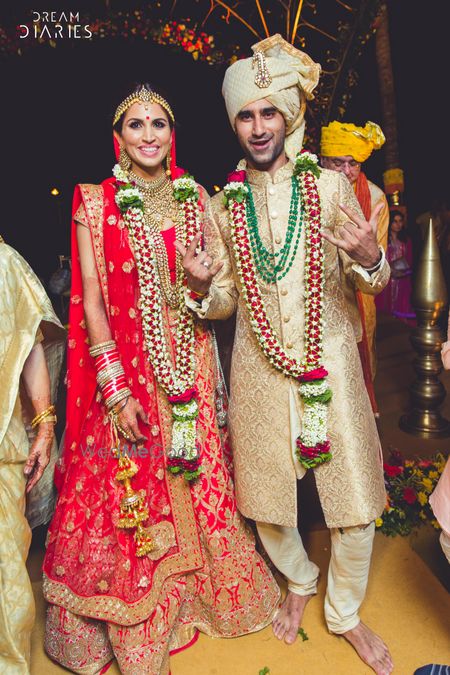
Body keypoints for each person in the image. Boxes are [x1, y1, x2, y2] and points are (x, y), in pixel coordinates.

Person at [42, 83, 279, 675]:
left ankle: (195, 598)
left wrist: (200, 287)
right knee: (129, 492)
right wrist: (114, 385)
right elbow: (91, 301)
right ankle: (132, 622)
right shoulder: (93, 203)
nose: (148, 135)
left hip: (189, 367)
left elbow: (220, 295)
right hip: (124, 369)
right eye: (135, 125)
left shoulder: (195, 197)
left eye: (159, 125)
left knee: (197, 478)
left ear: (173, 136)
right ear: (118, 138)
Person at [178, 35, 393, 675]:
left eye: (268, 111)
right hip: (259, 368)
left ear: (290, 115)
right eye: (245, 115)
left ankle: (346, 612)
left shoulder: (330, 189)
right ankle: (299, 579)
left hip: (330, 357)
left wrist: (371, 259)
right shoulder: (224, 205)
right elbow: (221, 302)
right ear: (234, 124)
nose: (258, 126)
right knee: (268, 502)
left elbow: (371, 283)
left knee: (356, 506)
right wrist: (197, 284)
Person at [0, 236, 64, 675]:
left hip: (3, 446)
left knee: (6, 571)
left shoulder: (5, 264)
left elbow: (32, 347)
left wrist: (44, 426)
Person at [320, 120, 389, 414]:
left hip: (360, 295)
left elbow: (379, 263)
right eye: (338, 163)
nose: (346, 172)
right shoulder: (310, 190)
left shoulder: (374, 198)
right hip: (319, 294)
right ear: (322, 159)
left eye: (354, 164)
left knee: (359, 369)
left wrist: (368, 256)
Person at [376, 210, 415, 323]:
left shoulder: (406, 240)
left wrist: (403, 271)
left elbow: (409, 259)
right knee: (385, 307)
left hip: (402, 278)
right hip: (387, 277)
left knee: (401, 305)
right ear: (389, 223)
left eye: (400, 221)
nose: (398, 224)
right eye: (395, 221)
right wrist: (390, 270)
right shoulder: (383, 240)